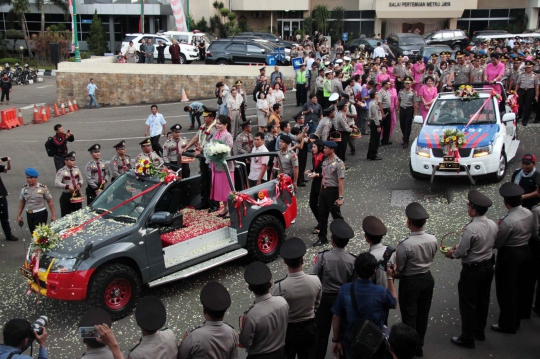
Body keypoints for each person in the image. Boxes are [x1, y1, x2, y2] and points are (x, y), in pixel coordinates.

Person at [444, 190, 497, 349]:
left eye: (468, 206)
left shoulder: (470, 228)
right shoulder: (493, 224)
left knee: (468, 303)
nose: (467, 208)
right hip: (488, 265)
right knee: (483, 299)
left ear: (474, 210)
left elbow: (461, 252)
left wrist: (451, 253)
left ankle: (467, 338)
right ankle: (479, 331)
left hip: (473, 269)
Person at [331, 252, 397, 359]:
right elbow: (394, 303)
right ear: (375, 271)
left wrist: (336, 340)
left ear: (356, 270)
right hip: (374, 343)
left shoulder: (345, 290)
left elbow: (336, 316)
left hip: (351, 343)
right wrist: (389, 277)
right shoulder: (381, 292)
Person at [396, 202, 438, 358]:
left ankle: (409, 348)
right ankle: (419, 344)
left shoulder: (405, 244)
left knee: (409, 315)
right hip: (427, 277)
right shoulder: (432, 239)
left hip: (410, 281)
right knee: (423, 313)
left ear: (409, 222)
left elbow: (400, 267)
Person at [492, 182, 535, 334]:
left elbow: (498, 243)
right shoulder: (529, 213)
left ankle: (507, 323)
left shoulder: (508, 221)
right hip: (526, 250)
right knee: (522, 286)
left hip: (510, 255)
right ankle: (521, 314)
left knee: (507, 290)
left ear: (506, 202)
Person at [272, 237, 322, 359]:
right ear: (303, 261)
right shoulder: (315, 280)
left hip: (289, 330)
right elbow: (317, 303)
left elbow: (276, 310)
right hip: (309, 327)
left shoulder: (279, 286)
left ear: (284, 261)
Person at [239, 261, 289, 358]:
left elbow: (245, 342)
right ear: (270, 285)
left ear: (249, 288)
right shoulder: (282, 302)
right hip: (281, 353)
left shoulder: (252, 315)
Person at [178, 281, 238, 359]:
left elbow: (181, 356)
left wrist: (184, 342)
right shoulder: (232, 333)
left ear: (204, 311)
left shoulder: (193, 337)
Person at [182, 106, 218, 212]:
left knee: (212, 182)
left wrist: (201, 150)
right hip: (203, 157)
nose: (203, 118)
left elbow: (212, 145)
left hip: (211, 159)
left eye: (205, 116)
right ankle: (205, 202)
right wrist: (186, 148)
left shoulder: (215, 128)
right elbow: (196, 137)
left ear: (211, 117)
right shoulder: (203, 126)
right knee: (204, 180)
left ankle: (214, 204)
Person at [314, 141, 345, 247]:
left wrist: (340, 197)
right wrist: (321, 192)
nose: (324, 150)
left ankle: (342, 235)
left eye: (326, 148)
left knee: (336, 215)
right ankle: (322, 238)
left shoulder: (339, 163)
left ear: (332, 149)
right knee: (322, 215)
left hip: (333, 191)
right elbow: (323, 177)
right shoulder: (325, 161)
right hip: (324, 190)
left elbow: (341, 181)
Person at [17, 168, 56, 233]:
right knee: (33, 233)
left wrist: (53, 215)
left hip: (40, 213)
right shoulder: (24, 188)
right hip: (29, 213)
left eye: (31, 178)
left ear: (36, 178)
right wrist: (18, 216)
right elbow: (22, 203)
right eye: (27, 178)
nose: (29, 180)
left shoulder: (42, 188)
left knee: (39, 234)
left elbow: (50, 202)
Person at [210, 115, 234, 218]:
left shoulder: (227, 135)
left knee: (227, 189)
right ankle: (225, 207)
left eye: (220, 124)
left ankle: (231, 209)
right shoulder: (215, 133)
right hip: (216, 166)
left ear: (226, 125)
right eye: (217, 123)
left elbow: (228, 150)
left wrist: (217, 153)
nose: (218, 125)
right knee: (220, 188)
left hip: (225, 167)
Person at [54, 151, 83, 217]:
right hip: (67, 196)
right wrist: (67, 186)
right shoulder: (61, 171)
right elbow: (57, 183)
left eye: (74, 160)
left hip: (76, 195)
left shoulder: (76, 169)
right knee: (66, 216)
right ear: (66, 161)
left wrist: (79, 184)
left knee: (78, 215)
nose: (73, 162)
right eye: (71, 160)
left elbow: (81, 179)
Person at [515, 61, 539, 126]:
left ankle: (525, 120)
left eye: (529, 67)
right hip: (522, 90)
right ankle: (518, 117)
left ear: (532, 68)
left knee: (528, 106)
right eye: (527, 67)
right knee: (519, 105)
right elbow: (518, 84)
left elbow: (536, 85)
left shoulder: (535, 76)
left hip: (530, 91)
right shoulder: (521, 75)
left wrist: (536, 95)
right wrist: (515, 92)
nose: (528, 69)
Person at [397, 76, 417, 149]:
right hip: (402, 109)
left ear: (411, 84)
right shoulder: (401, 91)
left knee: (407, 126)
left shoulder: (413, 93)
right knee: (402, 125)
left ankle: (406, 141)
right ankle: (404, 137)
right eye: (406, 83)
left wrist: (415, 113)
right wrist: (397, 108)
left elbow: (415, 103)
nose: (407, 85)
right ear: (404, 84)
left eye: (409, 83)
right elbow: (399, 100)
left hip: (409, 110)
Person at [0, 157, 16, 241]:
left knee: (4, 217)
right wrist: (2, 160)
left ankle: (8, 234)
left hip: (1, 196)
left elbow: (8, 168)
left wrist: (8, 162)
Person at [367, 92, 382, 161]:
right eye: (376, 94)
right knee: (375, 140)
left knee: (372, 139)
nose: (377, 95)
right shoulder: (374, 104)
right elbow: (375, 116)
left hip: (372, 121)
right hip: (375, 122)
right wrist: (378, 125)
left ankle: (370, 154)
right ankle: (373, 155)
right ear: (374, 96)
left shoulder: (371, 103)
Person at [378, 80, 393, 146]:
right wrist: (382, 113)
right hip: (383, 110)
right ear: (384, 85)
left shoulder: (387, 91)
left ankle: (385, 140)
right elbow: (379, 103)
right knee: (381, 125)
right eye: (388, 84)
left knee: (387, 126)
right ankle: (377, 141)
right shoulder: (380, 92)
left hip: (388, 110)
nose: (389, 85)